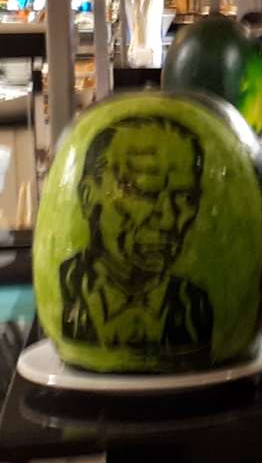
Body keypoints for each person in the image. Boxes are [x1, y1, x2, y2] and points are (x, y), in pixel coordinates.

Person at [57, 115, 213, 360]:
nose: (168, 220)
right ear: (88, 197)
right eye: (144, 192)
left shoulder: (195, 306)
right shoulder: (66, 289)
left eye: (185, 198)